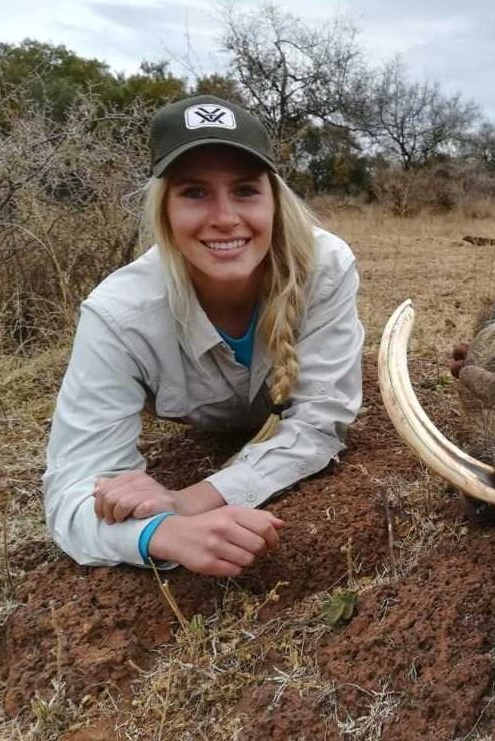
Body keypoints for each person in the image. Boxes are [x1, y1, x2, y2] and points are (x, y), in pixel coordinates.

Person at [43, 95, 364, 576]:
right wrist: (160, 533)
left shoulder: (326, 266)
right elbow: (73, 492)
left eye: (245, 190)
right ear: (164, 209)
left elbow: (319, 420)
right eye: (194, 192)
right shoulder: (117, 314)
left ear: (274, 199)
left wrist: (189, 500)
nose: (225, 217)